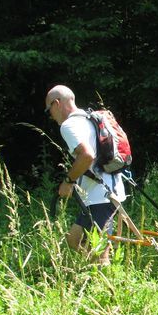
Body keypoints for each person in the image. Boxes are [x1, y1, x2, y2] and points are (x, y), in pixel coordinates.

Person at [45, 85, 126, 265]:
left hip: (102, 197)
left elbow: (87, 155)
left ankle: (105, 283)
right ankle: (92, 272)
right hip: (101, 194)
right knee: (73, 240)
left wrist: (68, 181)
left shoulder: (68, 125)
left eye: (48, 108)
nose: (49, 114)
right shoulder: (89, 117)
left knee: (100, 252)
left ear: (56, 103)